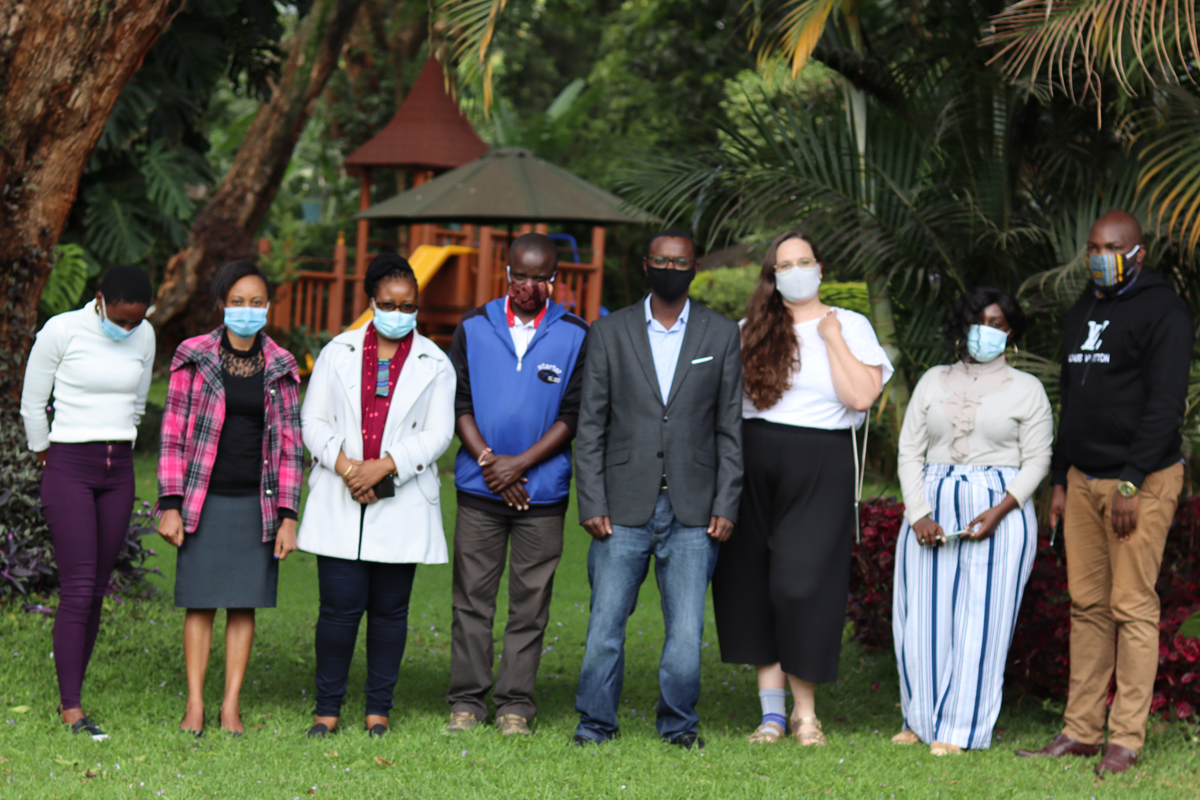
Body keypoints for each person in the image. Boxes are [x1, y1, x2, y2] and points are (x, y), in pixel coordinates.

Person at [1017, 211, 1193, 776]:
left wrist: (1130, 480)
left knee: (1132, 607)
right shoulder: (1084, 307)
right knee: (1088, 608)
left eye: (1111, 248)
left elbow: (1167, 406)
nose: (1099, 256)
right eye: (1092, 247)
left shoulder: (1163, 310)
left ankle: (1125, 740)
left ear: (1136, 253)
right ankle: (1082, 731)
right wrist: (1064, 476)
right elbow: (1074, 399)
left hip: (1137, 482)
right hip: (1084, 481)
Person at [711, 231, 891, 746]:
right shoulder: (748, 330)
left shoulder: (850, 324)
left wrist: (830, 338)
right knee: (752, 584)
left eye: (803, 262)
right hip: (751, 458)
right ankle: (771, 714)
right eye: (784, 265)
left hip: (820, 461)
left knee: (800, 584)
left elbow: (861, 396)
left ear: (819, 267)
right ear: (772, 275)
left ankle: (805, 713)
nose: (795, 271)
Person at [573, 229, 743, 750]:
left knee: (687, 633)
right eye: (662, 261)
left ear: (694, 268)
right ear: (646, 265)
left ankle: (678, 725)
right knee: (605, 624)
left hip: (695, 508)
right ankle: (595, 724)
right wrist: (593, 501)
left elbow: (730, 426)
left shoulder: (719, 334)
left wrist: (726, 501)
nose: (672, 268)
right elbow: (590, 426)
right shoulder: (609, 332)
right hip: (621, 505)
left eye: (682, 261)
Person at [298, 253, 456, 739]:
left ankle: (378, 711)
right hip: (341, 491)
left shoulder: (435, 361)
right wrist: (348, 469)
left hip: (400, 497)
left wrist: (385, 466)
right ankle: (327, 710)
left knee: (390, 614)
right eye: (389, 304)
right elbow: (313, 421)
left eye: (408, 306)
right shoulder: (337, 351)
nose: (399, 313)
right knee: (337, 611)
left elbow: (438, 434)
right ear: (372, 302)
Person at [891, 288, 1052, 756]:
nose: (989, 331)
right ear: (962, 327)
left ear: (1012, 332)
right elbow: (909, 452)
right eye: (980, 321)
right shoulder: (931, 381)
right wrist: (918, 513)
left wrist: (1001, 511)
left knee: (982, 622)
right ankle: (918, 720)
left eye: (999, 324)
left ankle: (959, 731)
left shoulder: (1028, 389)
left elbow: (1038, 460)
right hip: (930, 506)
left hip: (1000, 509)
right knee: (920, 618)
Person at [444, 233, 589, 736]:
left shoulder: (575, 333)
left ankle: (514, 706)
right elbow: (459, 402)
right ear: (506, 273)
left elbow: (573, 413)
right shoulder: (473, 326)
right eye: (520, 276)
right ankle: (466, 702)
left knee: (530, 606)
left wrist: (519, 464)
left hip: (542, 493)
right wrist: (489, 462)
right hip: (479, 488)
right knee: (471, 602)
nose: (529, 285)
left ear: (554, 279)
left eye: (540, 277)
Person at [156, 260, 303, 735]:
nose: (247, 310)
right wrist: (171, 504)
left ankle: (230, 706)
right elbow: (173, 432)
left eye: (256, 302)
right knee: (199, 603)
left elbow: (289, 446)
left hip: (256, 503)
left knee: (244, 604)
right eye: (237, 302)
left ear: (268, 306)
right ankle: (195, 704)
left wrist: (288, 515)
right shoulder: (193, 356)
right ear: (222, 305)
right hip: (203, 499)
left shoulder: (282, 364)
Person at [20, 264, 156, 740]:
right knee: (78, 587)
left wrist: (124, 440)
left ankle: (73, 690)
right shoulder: (61, 330)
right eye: (119, 319)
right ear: (99, 299)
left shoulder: (145, 335)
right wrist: (46, 455)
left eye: (135, 321)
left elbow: (138, 402)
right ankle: (72, 708)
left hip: (118, 470)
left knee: (97, 586)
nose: (127, 329)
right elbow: (32, 403)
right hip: (69, 466)